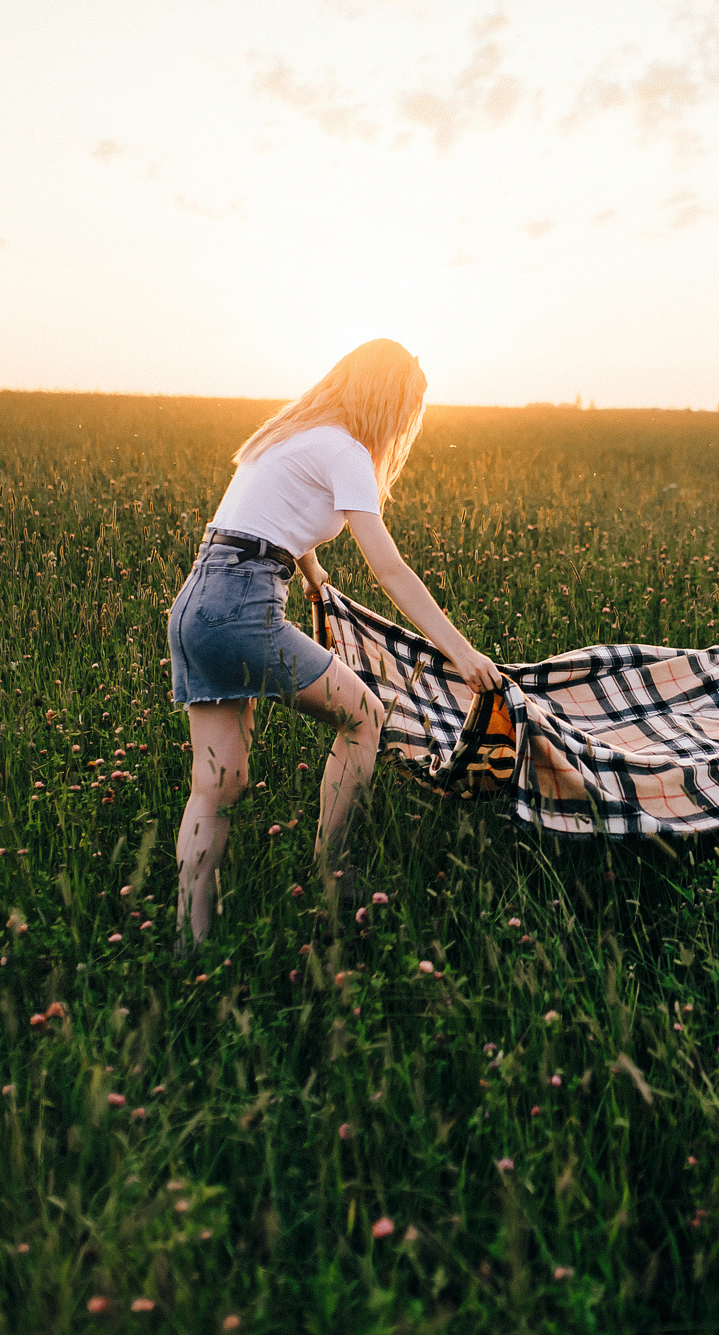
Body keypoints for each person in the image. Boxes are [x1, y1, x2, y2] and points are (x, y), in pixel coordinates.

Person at [166, 339, 501, 945]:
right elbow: (389, 568)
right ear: (388, 401)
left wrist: (314, 572)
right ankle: (332, 873)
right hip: (244, 605)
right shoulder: (346, 451)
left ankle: (192, 941)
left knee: (218, 785)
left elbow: (268, 516)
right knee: (365, 716)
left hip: (198, 603)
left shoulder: (289, 434)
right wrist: (462, 652)